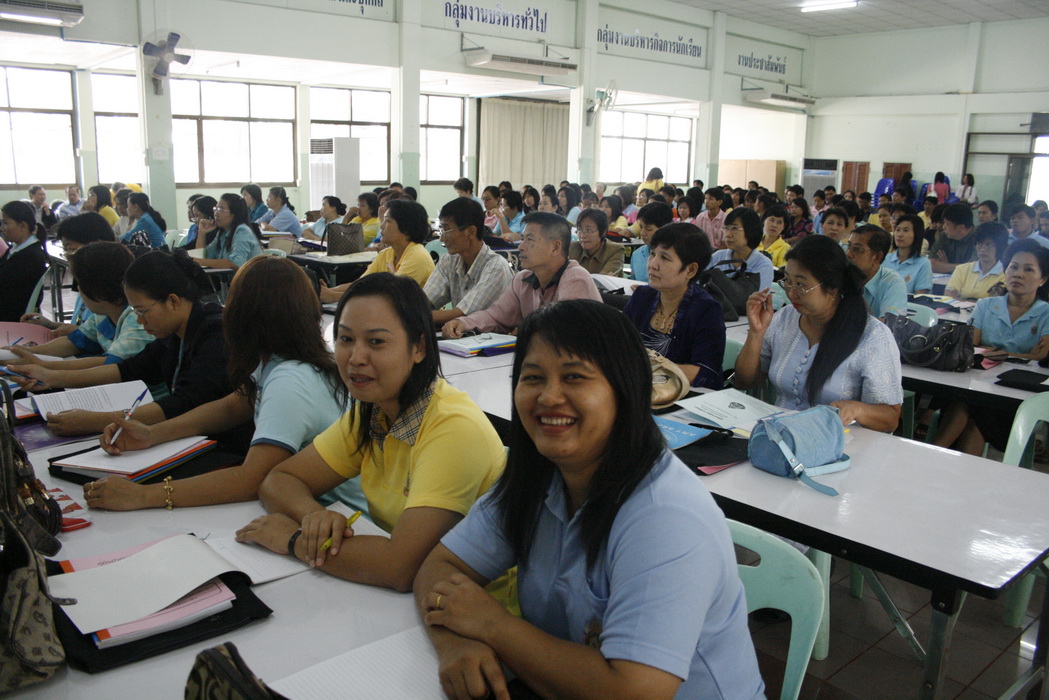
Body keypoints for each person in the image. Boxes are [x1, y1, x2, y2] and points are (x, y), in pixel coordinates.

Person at [415, 299, 764, 700]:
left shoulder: (665, 516)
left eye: (575, 377)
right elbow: (440, 565)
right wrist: (454, 641)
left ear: (625, 389)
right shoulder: (540, 477)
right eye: (533, 377)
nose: (549, 397)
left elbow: (635, 691)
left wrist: (491, 624)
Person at [235, 272, 507, 595]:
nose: (356, 358)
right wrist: (315, 518)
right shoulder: (373, 411)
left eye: (376, 342)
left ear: (419, 347)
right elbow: (279, 479)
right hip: (406, 601)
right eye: (345, 339)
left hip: (481, 604)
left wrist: (295, 541)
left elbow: (400, 567)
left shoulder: (453, 429)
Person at [85, 256, 363, 512]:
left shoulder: (290, 380)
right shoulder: (286, 358)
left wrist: (142, 496)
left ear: (242, 315)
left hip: (340, 513)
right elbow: (232, 406)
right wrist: (152, 434)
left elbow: (251, 480)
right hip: (317, 507)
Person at [8, 249, 248, 441]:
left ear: (173, 301)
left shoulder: (215, 334)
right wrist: (51, 377)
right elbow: (128, 369)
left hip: (220, 442)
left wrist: (97, 421)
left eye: (142, 311)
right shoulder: (174, 332)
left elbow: (184, 403)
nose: (140, 321)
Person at [734, 235, 902, 431]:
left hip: (839, 440)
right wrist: (756, 333)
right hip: (779, 434)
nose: (791, 293)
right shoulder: (785, 318)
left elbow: (891, 418)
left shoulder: (873, 336)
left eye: (801, 285)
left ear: (832, 288)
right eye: (787, 281)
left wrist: (858, 410)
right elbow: (745, 381)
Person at [934, 239, 1049, 455]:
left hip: (1018, 394)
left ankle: (933, 453)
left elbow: (1040, 356)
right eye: (1013, 267)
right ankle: (937, 457)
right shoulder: (986, 305)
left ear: (1042, 279)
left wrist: (993, 351)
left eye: (1028, 269)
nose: (1018, 274)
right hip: (980, 382)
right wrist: (1021, 354)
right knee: (970, 403)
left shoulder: (1046, 313)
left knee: (970, 405)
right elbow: (971, 345)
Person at [442, 212, 601, 338]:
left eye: (529, 240)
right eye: (522, 239)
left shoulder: (575, 278)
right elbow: (496, 317)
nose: (521, 247)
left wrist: (526, 330)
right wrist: (463, 323)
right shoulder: (523, 279)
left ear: (555, 247)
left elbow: (563, 331)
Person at [4, 242, 151, 369]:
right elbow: (75, 342)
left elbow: (111, 364)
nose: (79, 289)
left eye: (80, 283)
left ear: (97, 290)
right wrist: (26, 353)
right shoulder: (104, 314)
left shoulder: (137, 320)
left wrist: (41, 365)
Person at [624, 223, 725, 388]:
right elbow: (620, 345)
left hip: (687, 397)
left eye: (664, 258)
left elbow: (707, 372)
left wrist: (647, 372)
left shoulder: (706, 310)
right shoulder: (642, 297)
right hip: (639, 389)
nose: (652, 264)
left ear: (690, 270)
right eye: (652, 254)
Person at [320, 199, 435, 303]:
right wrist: (330, 291)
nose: (381, 226)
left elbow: (390, 295)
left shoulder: (417, 256)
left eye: (387, 221)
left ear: (406, 228)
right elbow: (361, 284)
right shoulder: (386, 253)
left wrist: (334, 296)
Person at [20, 212, 116, 335]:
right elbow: (81, 327)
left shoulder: (110, 290)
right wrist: (50, 325)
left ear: (96, 245)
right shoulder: (87, 281)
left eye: (70, 249)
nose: (67, 256)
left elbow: (99, 339)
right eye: (65, 250)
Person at [425, 198, 514, 326]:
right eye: (441, 230)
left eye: (447, 230)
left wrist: (416, 315)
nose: (442, 238)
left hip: (489, 337)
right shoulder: (449, 260)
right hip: (460, 335)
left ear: (471, 232)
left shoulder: (496, 267)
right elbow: (425, 302)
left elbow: (462, 315)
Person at [845, 224, 907, 319]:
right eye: (849, 246)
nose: (849, 254)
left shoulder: (893, 283)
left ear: (877, 257)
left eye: (857, 249)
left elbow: (888, 324)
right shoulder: (843, 275)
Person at [0, 201, 48, 322]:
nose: (1, 228)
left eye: (6, 223)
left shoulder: (30, 257)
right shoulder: (16, 249)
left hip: (11, 316)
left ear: (23, 226)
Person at [707, 207, 775, 291]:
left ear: (750, 230)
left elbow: (760, 296)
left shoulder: (763, 265)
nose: (728, 235)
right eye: (726, 228)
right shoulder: (717, 257)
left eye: (734, 228)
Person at [194, 193, 263, 270]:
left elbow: (236, 263)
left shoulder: (242, 231)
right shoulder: (223, 233)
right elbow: (203, 257)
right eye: (215, 209)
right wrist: (202, 233)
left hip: (249, 278)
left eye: (221, 210)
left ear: (234, 213)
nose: (216, 214)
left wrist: (198, 261)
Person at [944, 221, 1008, 300]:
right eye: (980, 243)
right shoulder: (962, 269)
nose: (983, 249)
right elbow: (948, 296)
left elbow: (993, 303)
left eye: (989, 244)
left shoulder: (1006, 274)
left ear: (1000, 247)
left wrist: (961, 300)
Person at [883, 215, 932, 294]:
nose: (899, 234)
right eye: (897, 230)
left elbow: (921, 297)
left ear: (917, 234)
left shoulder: (923, 263)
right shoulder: (885, 260)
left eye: (905, 230)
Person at [568, 209, 624, 276]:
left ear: (603, 232)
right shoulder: (572, 248)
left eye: (588, 230)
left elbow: (604, 278)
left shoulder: (615, 250)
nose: (582, 235)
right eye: (580, 230)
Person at [929, 203, 978, 273]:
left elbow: (973, 268)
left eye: (947, 224)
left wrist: (946, 266)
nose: (943, 227)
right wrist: (958, 267)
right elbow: (931, 265)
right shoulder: (944, 236)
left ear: (961, 228)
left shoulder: (980, 239)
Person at [631, 202, 672, 283]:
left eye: (648, 229)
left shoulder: (675, 256)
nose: (642, 233)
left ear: (665, 228)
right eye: (641, 227)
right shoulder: (637, 255)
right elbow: (632, 281)